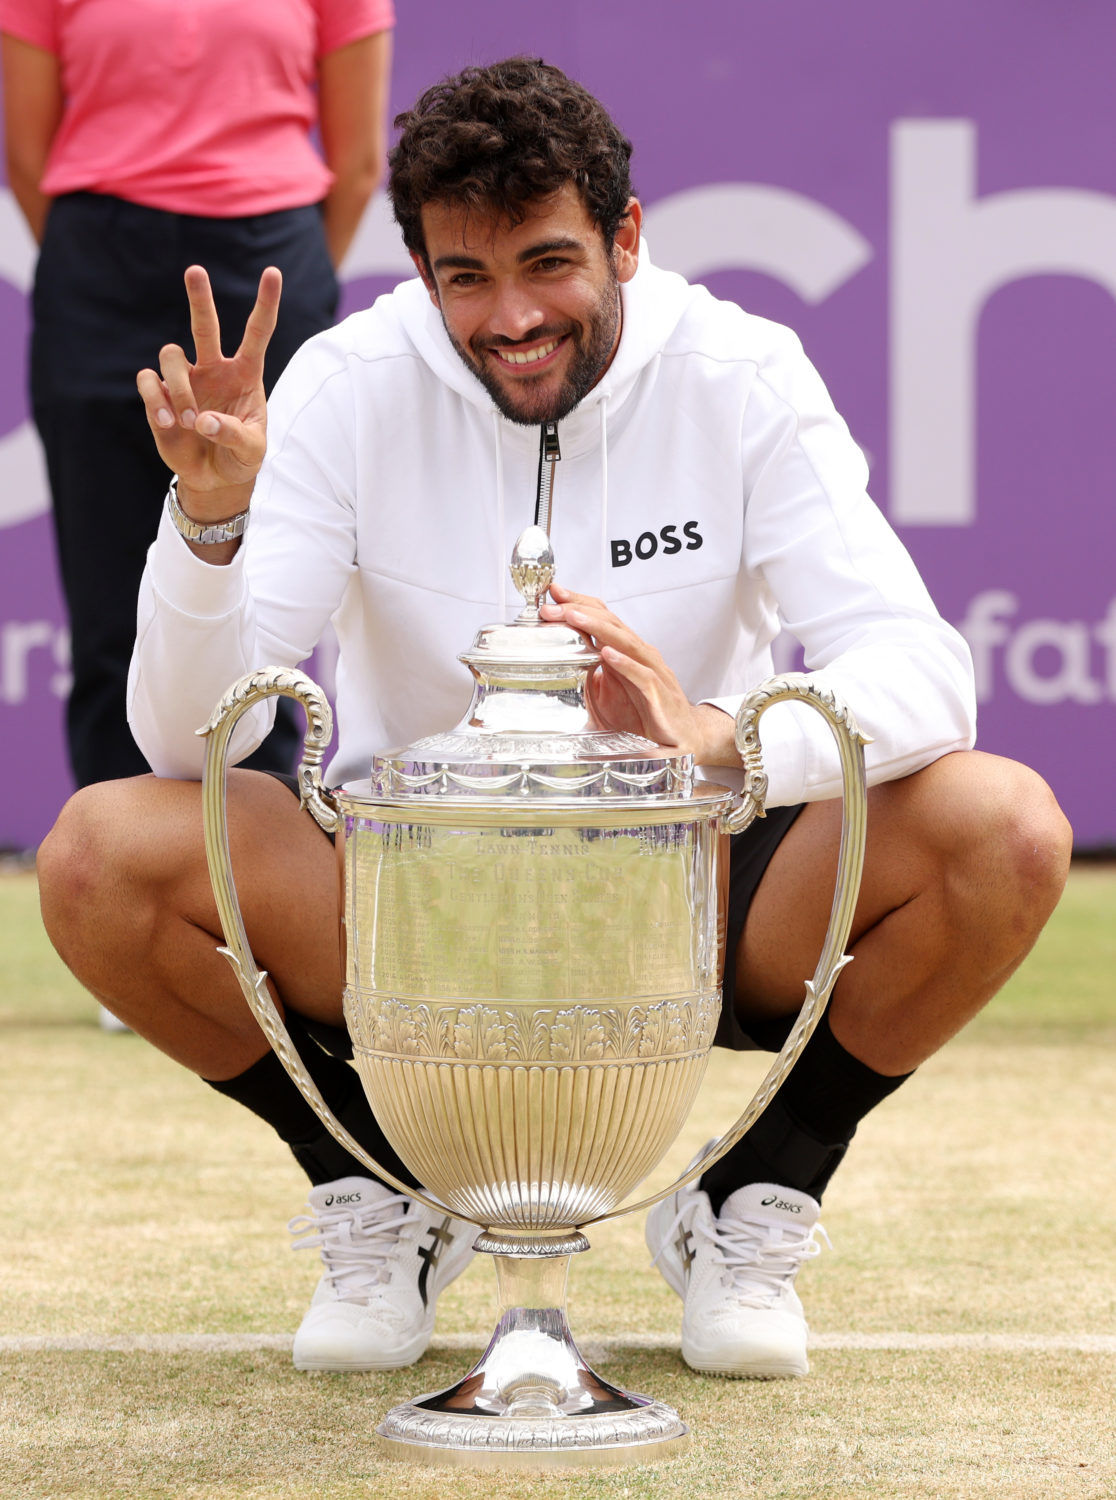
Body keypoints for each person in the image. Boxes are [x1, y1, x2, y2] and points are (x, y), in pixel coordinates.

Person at [36, 58, 1071, 1381]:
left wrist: (724, 742)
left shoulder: (744, 372)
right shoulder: (348, 385)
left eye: (549, 263)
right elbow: (185, 742)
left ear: (628, 237)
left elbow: (926, 674)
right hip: (413, 913)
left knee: (1005, 830)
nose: (513, 317)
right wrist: (210, 527)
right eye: (467, 278)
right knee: (100, 855)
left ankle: (755, 1196)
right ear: (418, 273)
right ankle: (379, 1191)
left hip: (695, 896)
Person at [0, 0, 395, 791]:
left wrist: (288, 291)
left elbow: (357, 168)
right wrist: (115, 258)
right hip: (96, 275)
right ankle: (118, 883)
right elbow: (27, 156)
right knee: (113, 617)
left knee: (266, 604)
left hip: (268, 268)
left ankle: (261, 893)